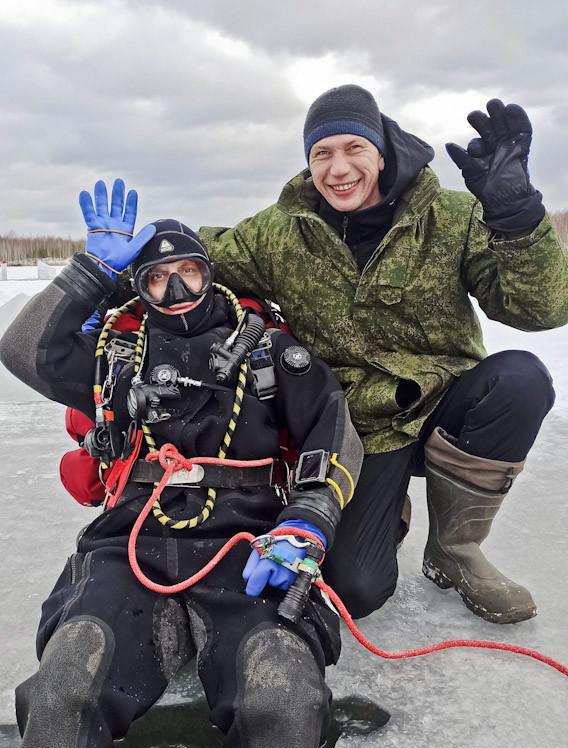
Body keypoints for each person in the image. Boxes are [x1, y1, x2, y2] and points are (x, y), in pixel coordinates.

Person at [0, 180, 364, 748]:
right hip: (130, 542)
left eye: (189, 271)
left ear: (209, 272)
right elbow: (22, 352)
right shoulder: (116, 354)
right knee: (65, 690)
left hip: (248, 543)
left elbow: (336, 433)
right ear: (138, 285)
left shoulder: (269, 351)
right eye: (157, 277)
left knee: (284, 697)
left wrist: (309, 518)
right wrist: (89, 271)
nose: (177, 289)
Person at [197, 85, 568, 624]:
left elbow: (542, 310)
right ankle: (382, 511)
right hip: (358, 428)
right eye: (322, 153)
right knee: (356, 590)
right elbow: (194, 264)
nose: (338, 168)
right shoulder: (279, 232)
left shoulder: (450, 215)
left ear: (382, 151)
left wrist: (516, 216)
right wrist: (113, 272)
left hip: (447, 403)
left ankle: (454, 550)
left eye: (354, 148)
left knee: (520, 378)